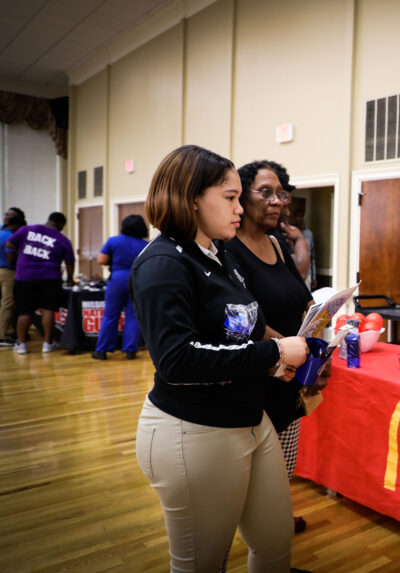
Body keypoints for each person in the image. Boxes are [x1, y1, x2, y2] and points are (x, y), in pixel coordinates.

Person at [129, 145, 309, 571]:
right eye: (229, 198)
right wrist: (274, 351)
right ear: (192, 198)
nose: (239, 209)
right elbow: (177, 360)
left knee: (274, 539)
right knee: (202, 562)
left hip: (249, 416)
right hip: (194, 429)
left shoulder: (219, 251)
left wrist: (274, 354)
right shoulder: (161, 264)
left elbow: (239, 326)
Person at [230, 159, 319, 536]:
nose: (276, 202)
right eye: (265, 192)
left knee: (281, 467)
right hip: (254, 377)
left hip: (288, 377)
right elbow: (236, 318)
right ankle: (257, 525)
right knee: (246, 474)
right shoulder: (227, 249)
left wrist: (317, 324)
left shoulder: (277, 244)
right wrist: (285, 346)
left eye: (281, 193)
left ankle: (274, 522)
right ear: (240, 196)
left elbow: (297, 296)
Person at [6, 211, 75, 354]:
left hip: (24, 276)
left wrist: (25, 252)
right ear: (61, 224)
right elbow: (69, 262)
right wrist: (69, 279)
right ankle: (47, 344)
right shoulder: (62, 239)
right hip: (50, 278)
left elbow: (10, 243)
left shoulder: (27, 230)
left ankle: (21, 344)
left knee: (25, 311)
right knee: (48, 309)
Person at [91, 214, 149, 360]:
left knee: (110, 315)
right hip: (138, 281)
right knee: (133, 316)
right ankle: (130, 351)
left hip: (117, 279)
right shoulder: (146, 245)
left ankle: (102, 351)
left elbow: (101, 260)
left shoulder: (114, 241)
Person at [0, 212, 26, 345]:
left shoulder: (0, 233)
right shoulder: (11, 237)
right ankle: (3, 336)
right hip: (7, 272)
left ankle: (8, 331)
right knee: (8, 304)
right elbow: (11, 259)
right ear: (16, 225)